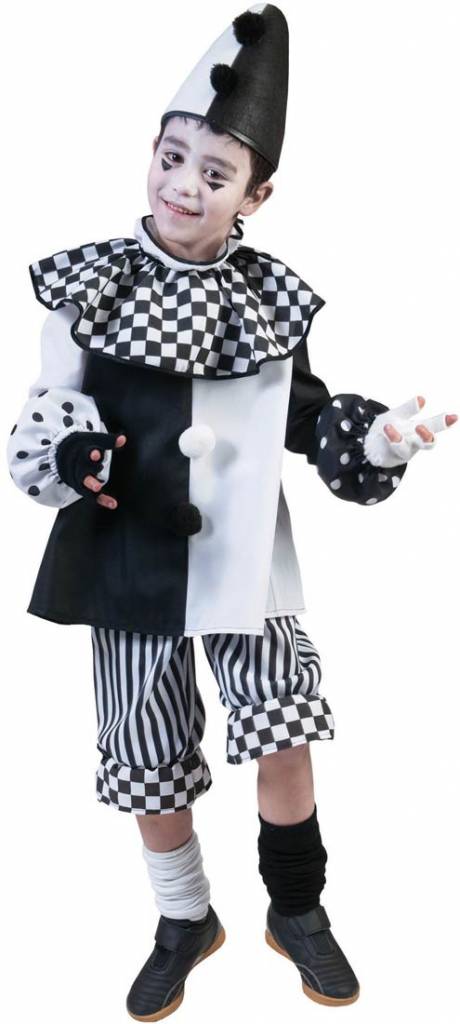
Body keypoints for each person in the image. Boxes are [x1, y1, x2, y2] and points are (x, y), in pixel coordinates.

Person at [6, 5, 457, 1021]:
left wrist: (379, 438)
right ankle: (184, 919)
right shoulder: (92, 286)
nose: (184, 185)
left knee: (283, 728)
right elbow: (43, 419)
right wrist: (74, 454)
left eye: (215, 173)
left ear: (257, 194)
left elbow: (306, 417)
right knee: (146, 758)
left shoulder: (266, 301)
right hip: (126, 562)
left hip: (250, 565)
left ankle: (296, 910)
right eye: (172, 159)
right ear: (151, 153)